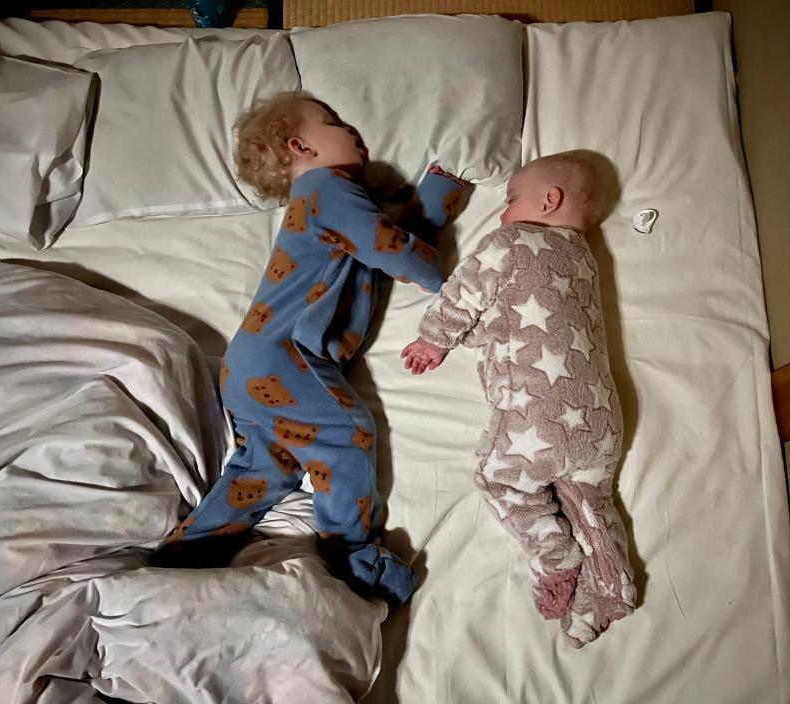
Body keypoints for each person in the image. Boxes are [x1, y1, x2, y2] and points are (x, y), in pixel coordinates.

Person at [152, 91, 465, 607]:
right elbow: (402, 254)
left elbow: (391, 239)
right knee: (347, 435)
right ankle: (354, 558)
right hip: (286, 358)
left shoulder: (334, 206)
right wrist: (437, 277)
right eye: (334, 122)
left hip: (252, 368)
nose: (352, 130)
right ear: (301, 146)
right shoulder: (326, 189)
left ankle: (181, 557)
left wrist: (443, 186)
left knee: (264, 470)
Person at [401, 153, 635, 645]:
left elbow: (464, 295)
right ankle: (610, 589)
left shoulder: (510, 241)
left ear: (548, 200)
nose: (503, 212)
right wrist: (479, 335)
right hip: (600, 418)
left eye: (510, 199)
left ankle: (558, 558)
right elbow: (526, 316)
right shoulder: (584, 260)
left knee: (498, 476)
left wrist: (434, 339)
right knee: (591, 502)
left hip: (541, 415)